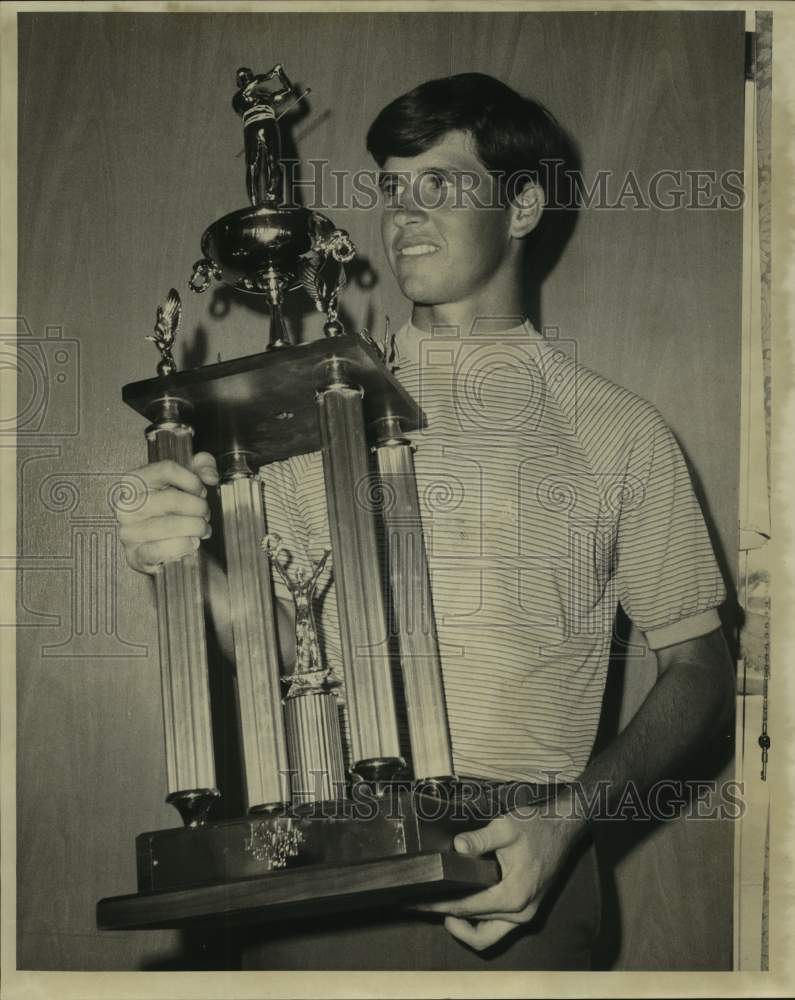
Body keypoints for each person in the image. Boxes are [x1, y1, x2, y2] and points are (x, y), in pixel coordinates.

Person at [117, 73, 734, 970]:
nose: (403, 214)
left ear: (521, 205)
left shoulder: (616, 430)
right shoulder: (303, 411)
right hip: (316, 882)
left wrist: (566, 821)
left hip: (515, 882)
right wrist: (184, 561)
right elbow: (285, 645)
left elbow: (701, 671)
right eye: (391, 188)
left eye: (438, 185)